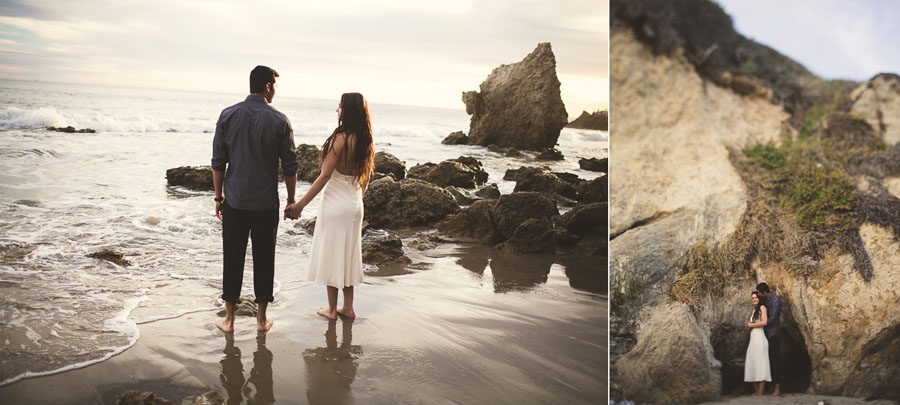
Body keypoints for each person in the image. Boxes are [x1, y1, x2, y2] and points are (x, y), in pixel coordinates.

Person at [211, 65, 298, 333]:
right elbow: (290, 166)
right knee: (264, 259)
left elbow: (218, 163)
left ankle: (229, 320)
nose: (275, 90)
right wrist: (291, 200)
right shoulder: (280, 120)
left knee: (232, 258)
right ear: (268, 86)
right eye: (275, 85)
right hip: (265, 203)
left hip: (235, 201)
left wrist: (218, 197)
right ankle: (261, 320)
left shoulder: (228, 115)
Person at [284, 92, 374, 320]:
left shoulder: (340, 138)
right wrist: (357, 198)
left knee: (334, 254)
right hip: (354, 204)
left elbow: (324, 177)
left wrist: (299, 205)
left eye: (340, 106)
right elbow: (366, 177)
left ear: (349, 110)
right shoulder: (365, 139)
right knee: (349, 255)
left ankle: (332, 309)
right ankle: (349, 307)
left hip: (335, 204)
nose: (337, 110)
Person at [757, 282, 782, 395]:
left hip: (774, 335)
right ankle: (771, 388)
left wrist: (760, 323)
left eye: (759, 293)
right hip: (767, 335)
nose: (758, 294)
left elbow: (772, 319)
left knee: (776, 361)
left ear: (765, 292)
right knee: (769, 362)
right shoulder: (766, 301)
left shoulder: (775, 301)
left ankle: (777, 389)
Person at [744, 290, 771, 395]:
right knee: (752, 363)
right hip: (753, 340)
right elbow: (755, 324)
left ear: (759, 298)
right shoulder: (753, 311)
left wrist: (751, 325)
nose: (754, 299)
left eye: (755, 297)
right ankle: (756, 391)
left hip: (760, 339)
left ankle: (760, 391)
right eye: (752, 298)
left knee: (761, 364)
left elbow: (764, 322)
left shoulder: (762, 308)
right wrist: (749, 327)